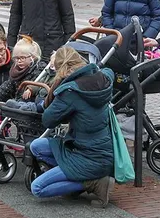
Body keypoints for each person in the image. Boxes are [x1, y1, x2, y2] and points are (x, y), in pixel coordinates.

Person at [30, 45, 116, 206]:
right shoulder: (102, 78)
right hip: (93, 150)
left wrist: (57, 84)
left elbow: (47, 120)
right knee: (36, 146)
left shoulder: (70, 92)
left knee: (37, 188)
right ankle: (77, 176)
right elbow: (109, 72)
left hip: (89, 158)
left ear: (61, 69)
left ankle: (93, 183)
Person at [0, 36, 45, 108]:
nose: (19, 61)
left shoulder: (39, 70)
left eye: (22, 58)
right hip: (17, 102)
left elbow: (38, 85)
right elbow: (8, 85)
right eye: (16, 58)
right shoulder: (16, 70)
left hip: (29, 105)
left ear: (33, 57)